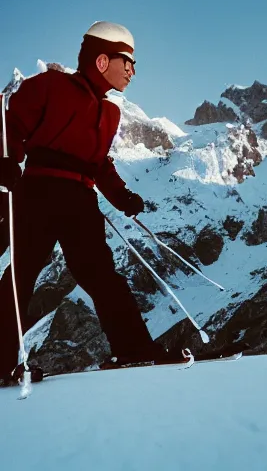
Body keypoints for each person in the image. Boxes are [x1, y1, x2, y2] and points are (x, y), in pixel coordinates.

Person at [0, 21, 174, 386]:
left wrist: (121, 196)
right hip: (37, 191)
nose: (132, 71)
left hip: (80, 200)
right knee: (21, 277)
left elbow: (100, 163)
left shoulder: (110, 113)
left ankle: (134, 351)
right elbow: (8, 123)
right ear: (100, 61)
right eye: (127, 61)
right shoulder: (50, 85)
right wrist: (7, 161)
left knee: (102, 276)